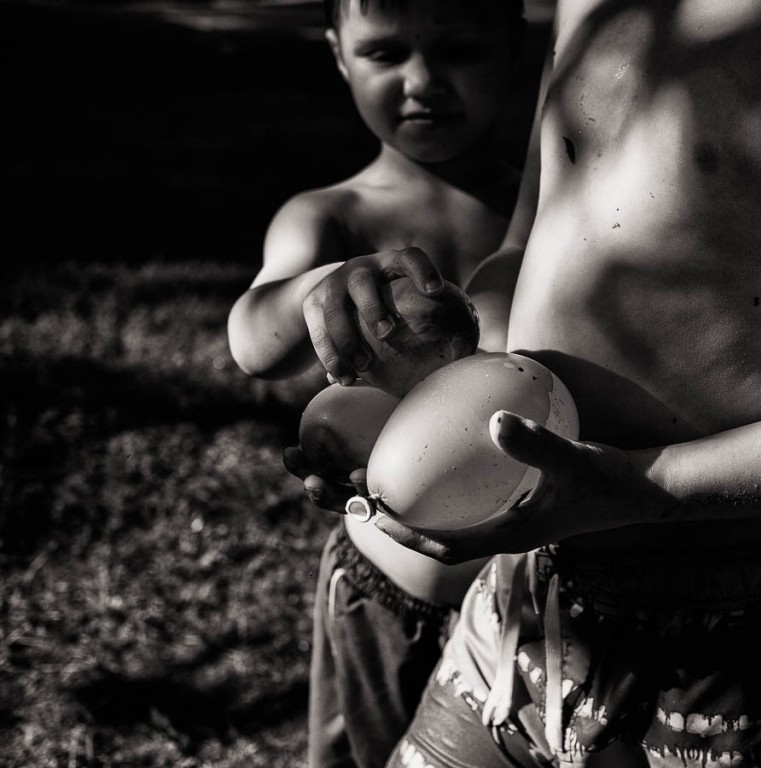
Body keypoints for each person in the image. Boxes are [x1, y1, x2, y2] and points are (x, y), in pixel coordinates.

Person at [294, 0, 761, 766]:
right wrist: (445, 355)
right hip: (536, 596)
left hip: (741, 637)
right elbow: (528, 249)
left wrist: (648, 484)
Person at [226, 1, 528, 766]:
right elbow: (255, 338)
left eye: (459, 48)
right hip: (389, 589)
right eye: (385, 53)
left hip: (523, 590)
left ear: (515, 48)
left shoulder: (546, 210)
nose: (423, 81)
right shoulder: (332, 216)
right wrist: (329, 285)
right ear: (337, 54)